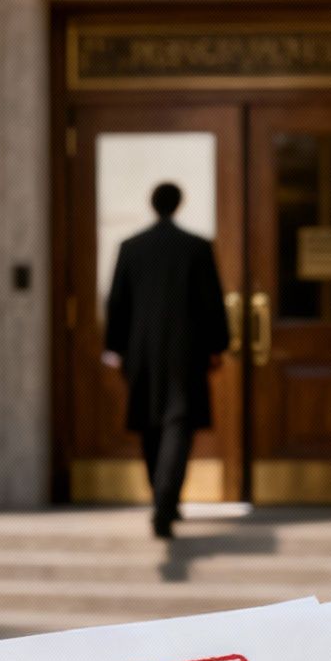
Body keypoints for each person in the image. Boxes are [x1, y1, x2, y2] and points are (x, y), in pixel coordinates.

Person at [102, 182, 230, 538]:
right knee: (178, 423)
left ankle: (162, 498)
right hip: (186, 351)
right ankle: (165, 500)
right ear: (178, 204)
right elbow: (211, 302)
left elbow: (117, 303)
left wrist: (114, 348)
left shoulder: (131, 248)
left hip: (141, 351)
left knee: (150, 424)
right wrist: (218, 345)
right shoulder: (197, 248)